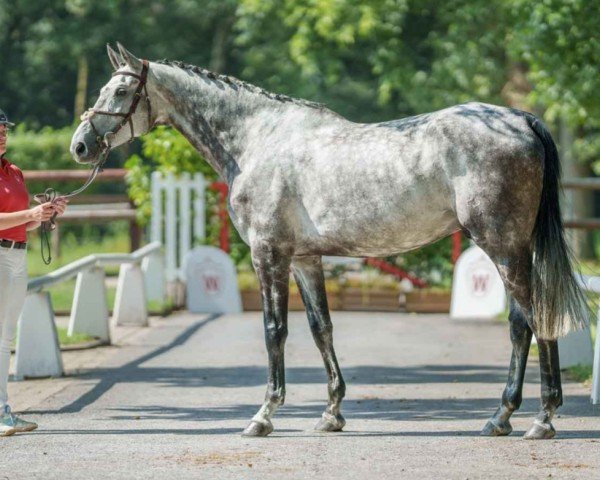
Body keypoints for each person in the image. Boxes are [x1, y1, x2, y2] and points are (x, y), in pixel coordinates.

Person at [0, 109, 68, 436]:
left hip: (18, 254)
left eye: (3, 128)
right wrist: (31, 212)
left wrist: (44, 214)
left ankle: (3, 410)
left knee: (6, 335)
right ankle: (1, 412)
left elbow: (22, 221)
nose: (2, 134)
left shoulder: (14, 172)